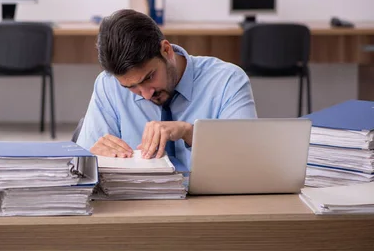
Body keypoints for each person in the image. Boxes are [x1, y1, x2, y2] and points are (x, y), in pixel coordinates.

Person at [75, 9, 258, 168]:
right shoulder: (108, 85)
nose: (146, 95)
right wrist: (93, 157)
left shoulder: (227, 80)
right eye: (131, 87)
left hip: (211, 203)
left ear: (166, 50)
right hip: (139, 203)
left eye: (149, 77)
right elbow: (80, 166)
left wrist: (190, 133)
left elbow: (249, 156)